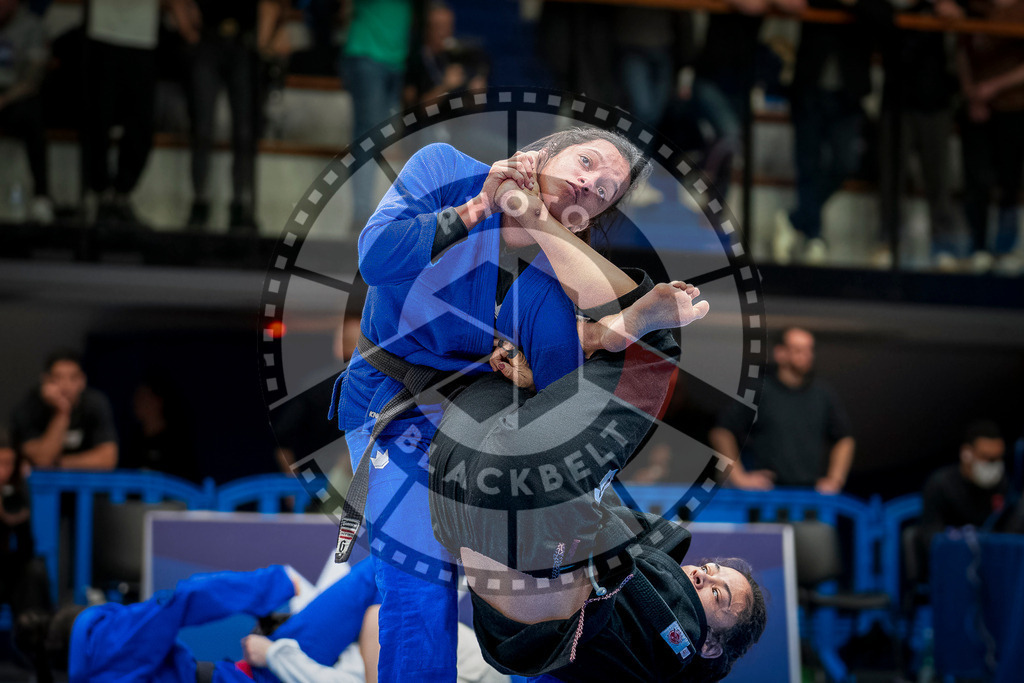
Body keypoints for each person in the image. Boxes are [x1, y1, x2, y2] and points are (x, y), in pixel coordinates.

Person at [334, 127, 654, 682]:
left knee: (541, 582)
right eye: (586, 163)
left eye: (604, 192)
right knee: (419, 582)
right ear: (546, 150)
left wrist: (533, 375)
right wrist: (479, 206)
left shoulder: (558, 271)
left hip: (483, 427)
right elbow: (376, 259)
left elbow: (560, 404)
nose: (588, 185)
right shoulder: (444, 168)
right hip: (395, 405)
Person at [428, 284, 766, 681]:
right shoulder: (651, 568)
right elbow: (596, 511)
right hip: (464, 497)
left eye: (717, 593)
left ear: (711, 647)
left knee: (653, 348)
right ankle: (567, 334)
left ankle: (589, 332)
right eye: (710, 568)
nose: (704, 575)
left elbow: (602, 538)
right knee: (494, 356)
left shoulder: (678, 643)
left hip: (506, 517)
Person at [240, 558, 509, 683]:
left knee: (388, 565)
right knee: (389, 566)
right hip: (281, 662)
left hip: (267, 672)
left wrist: (274, 655)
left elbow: (375, 621)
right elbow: (376, 621)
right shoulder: (481, 667)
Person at [772, 0, 892, 265]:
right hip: (809, 84)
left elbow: (885, 16)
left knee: (845, 162)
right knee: (808, 164)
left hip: (849, 91)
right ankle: (814, 236)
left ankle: (795, 219)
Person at [174, 0, 287, 232]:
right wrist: (189, 32)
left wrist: (263, 41)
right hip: (208, 40)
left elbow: (271, 5)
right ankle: (199, 202)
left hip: (243, 44)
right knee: (202, 129)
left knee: (244, 133)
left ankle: (240, 204)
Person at [710, 327, 854, 492]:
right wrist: (738, 477)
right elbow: (721, 432)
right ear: (780, 353)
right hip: (767, 492)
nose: (806, 356)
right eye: (798, 350)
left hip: (809, 494)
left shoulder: (822, 394)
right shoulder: (760, 390)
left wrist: (835, 480)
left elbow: (844, 438)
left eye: (809, 350)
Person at [80, 0, 167, 226]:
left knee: (141, 123)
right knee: (97, 120)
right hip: (102, 32)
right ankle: (100, 193)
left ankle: (122, 194)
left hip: (142, 37)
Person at [956, 0, 1024, 272]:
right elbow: (962, 51)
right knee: (976, 180)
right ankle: (978, 246)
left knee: (1010, 181)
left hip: (1015, 105)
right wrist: (973, 94)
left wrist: (993, 87)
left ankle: (1006, 249)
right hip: (977, 107)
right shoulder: (974, 6)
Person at [340, 0, 415, 228]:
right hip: (367, 53)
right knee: (368, 135)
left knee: (379, 136)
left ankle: (368, 213)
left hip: (396, 60)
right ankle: (362, 213)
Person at [916, 420, 1015, 577]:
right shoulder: (941, 484)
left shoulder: (1004, 486)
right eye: (986, 458)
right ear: (966, 454)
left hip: (993, 569)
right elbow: (931, 539)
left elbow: (1009, 537)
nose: (993, 465)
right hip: (950, 569)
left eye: (997, 459)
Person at [10, 349, 118, 470]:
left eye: (73, 378)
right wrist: (62, 412)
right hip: (41, 480)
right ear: (46, 380)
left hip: (83, 479)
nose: (66, 386)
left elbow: (108, 459)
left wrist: (59, 463)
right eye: (58, 377)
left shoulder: (95, 403)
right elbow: (43, 460)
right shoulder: (29, 407)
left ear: (82, 380)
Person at [0, 0, 53, 224]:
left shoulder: (31, 26)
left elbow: (32, 79)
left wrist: (4, 99)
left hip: (14, 97)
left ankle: (41, 198)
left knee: (33, 114)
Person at [402, 1, 488, 108]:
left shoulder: (459, 55)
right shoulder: (415, 61)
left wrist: (476, 94)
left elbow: (474, 105)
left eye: (449, 26)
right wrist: (445, 87)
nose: (444, 33)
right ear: (426, 28)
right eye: (439, 27)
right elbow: (414, 110)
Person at [121, 373, 202, 483]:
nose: (136, 402)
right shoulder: (133, 443)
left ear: (158, 401)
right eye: (137, 397)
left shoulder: (177, 444)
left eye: (143, 397)